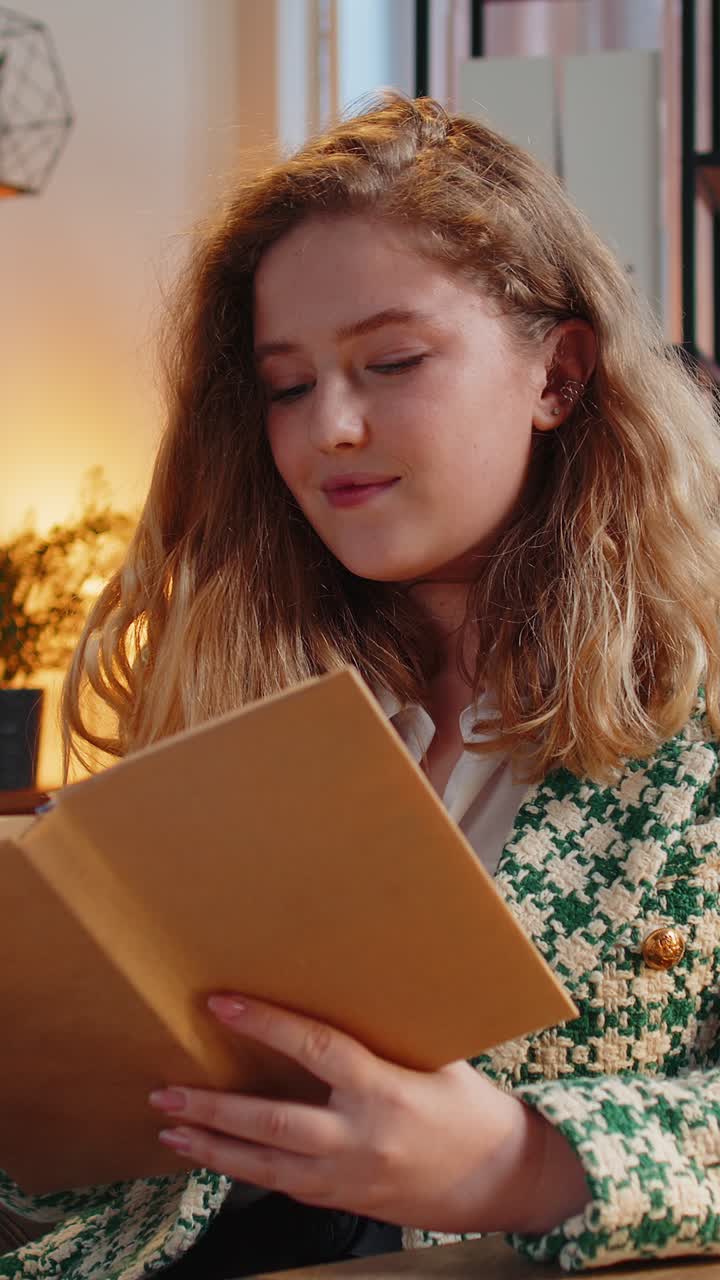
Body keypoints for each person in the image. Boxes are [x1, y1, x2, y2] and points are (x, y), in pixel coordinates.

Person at [3, 91, 720, 1279]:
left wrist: (523, 1160)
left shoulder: (697, 705)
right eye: (288, 385)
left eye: (392, 362)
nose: (330, 426)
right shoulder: (232, 692)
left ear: (558, 374)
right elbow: (99, 1168)